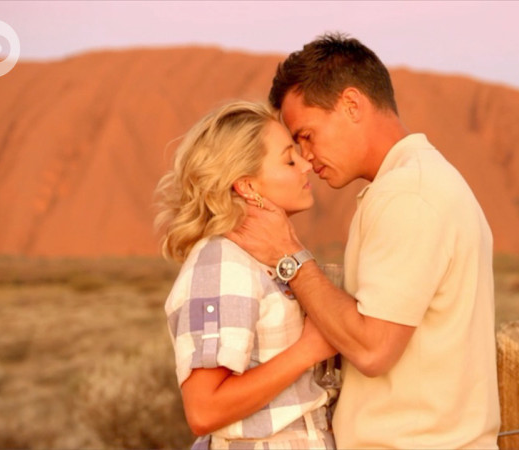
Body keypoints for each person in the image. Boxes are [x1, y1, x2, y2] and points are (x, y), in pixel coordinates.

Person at [226, 33, 501, 448]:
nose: (305, 156)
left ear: (352, 105)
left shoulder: (409, 194)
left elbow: (373, 349)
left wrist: (289, 256)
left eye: (306, 135)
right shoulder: (415, 181)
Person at [155, 101, 337, 449]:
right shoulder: (222, 261)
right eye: (289, 159)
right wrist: (307, 350)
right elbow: (204, 410)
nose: (306, 165)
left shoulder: (267, 259)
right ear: (246, 186)